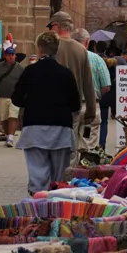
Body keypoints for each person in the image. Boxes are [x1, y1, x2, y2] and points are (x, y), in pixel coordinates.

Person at [10, 31, 81, 195]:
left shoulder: (30, 71)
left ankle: (39, 205)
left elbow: (16, 99)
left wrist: (33, 103)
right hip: (61, 130)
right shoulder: (66, 73)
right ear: (57, 50)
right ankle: (56, 207)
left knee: (37, 173)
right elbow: (76, 104)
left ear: (40, 49)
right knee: (59, 177)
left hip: (34, 128)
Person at [46, 12, 97, 160]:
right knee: (70, 145)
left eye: (51, 26)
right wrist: (91, 111)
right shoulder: (81, 50)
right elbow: (88, 83)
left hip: (50, 106)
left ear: (56, 26)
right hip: (72, 107)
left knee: (51, 144)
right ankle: (66, 178)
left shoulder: (49, 48)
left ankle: (51, 176)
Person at [74, 29, 110, 152]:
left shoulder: (65, 59)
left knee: (70, 146)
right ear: (87, 41)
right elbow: (106, 86)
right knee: (88, 144)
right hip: (90, 106)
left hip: (70, 107)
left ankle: (70, 170)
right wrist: (95, 94)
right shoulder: (97, 60)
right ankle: (86, 169)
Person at [0, 46, 25, 146]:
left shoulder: (20, 68)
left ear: (15, 56)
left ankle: (10, 137)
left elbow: (24, 81)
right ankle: (7, 134)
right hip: (2, 96)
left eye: (13, 55)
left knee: (13, 116)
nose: (11, 57)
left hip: (15, 97)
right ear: (5, 56)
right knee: (4, 118)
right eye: (9, 55)